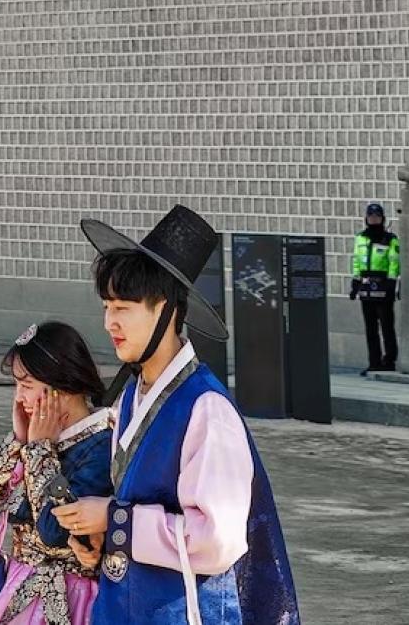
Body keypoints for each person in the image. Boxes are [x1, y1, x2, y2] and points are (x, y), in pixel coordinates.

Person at [51, 206, 300, 624]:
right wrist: (100, 534)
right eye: (107, 306)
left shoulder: (206, 408)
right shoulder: (131, 395)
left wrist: (114, 521)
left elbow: (217, 539)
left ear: (165, 310)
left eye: (124, 307)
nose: (110, 321)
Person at [0, 321, 114, 625]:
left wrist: (39, 450)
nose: (20, 398)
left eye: (27, 386)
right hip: (16, 594)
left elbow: (53, 532)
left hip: (73, 602)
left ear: (62, 387)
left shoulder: (100, 447)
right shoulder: (36, 441)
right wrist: (16, 444)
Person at [350, 202, 400, 375]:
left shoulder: (390, 239)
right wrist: (355, 282)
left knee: (387, 326)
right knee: (370, 328)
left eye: (377, 217)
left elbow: (394, 261)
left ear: (382, 219)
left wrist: (392, 282)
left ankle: (390, 360)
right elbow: (356, 260)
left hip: (383, 285)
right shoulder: (360, 238)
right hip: (365, 286)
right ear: (366, 218)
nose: (373, 220)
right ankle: (374, 361)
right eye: (371, 217)